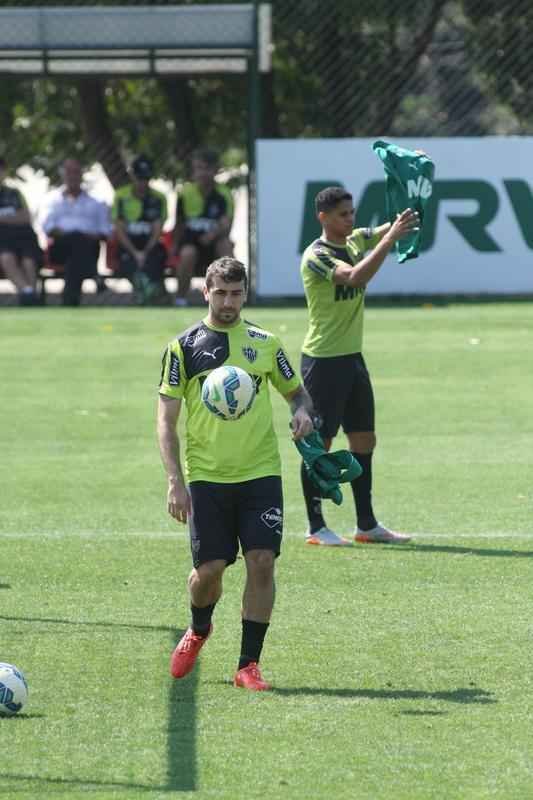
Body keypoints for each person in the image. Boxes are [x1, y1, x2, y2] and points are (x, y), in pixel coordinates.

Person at [158, 256, 313, 691]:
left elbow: (298, 394)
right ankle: (199, 627)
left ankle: (248, 665)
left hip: (260, 473)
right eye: (221, 293)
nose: (229, 302)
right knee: (208, 572)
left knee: (262, 562)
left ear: (245, 293)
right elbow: (165, 421)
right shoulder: (183, 347)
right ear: (206, 292)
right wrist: (176, 482)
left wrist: (303, 415)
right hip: (207, 478)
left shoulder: (265, 342)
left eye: (236, 293)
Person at [299, 186, 420, 546]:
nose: (351, 219)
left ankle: (366, 525)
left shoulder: (354, 240)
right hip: (322, 361)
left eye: (352, 213)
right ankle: (316, 526)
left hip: (352, 359)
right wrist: (391, 240)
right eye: (343, 214)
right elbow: (355, 277)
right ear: (323, 217)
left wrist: (406, 217)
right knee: (319, 442)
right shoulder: (316, 256)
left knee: (364, 438)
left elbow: (382, 230)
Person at [42, 158, 111, 306]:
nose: (72, 176)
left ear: (81, 175)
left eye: (76, 172)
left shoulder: (96, 203)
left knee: (77, 249)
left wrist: (86, 236)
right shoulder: (52, 201)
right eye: (68, 172)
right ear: (62, 174)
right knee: (75, 239)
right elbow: (48, 228)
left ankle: (69, 300)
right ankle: (94, 274)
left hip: (90, 247)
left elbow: (105, 231)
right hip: (60, 248)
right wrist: (72, 235)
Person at [172, 148, 234, 305]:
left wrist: (212, 235)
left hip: (214, 242)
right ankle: (180, 298)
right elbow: (179, 224)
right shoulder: (185, 193)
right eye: (198, 168)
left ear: (215, 170)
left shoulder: (224, 194)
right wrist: (173, 247)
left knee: (226, 248)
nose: (202, 173)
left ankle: (227, 299)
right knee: (187, 253)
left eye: (206, 168)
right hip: (191, 243)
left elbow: (226, 224)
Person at [112, 155, 169, 305]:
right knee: (127, 260)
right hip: (128, 245)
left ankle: (150, 292)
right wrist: (135, 253)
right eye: (139, 178)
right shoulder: (121, 197)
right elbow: (119, 230)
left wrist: (145, 252)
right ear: (132, 176)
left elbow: (157, 230)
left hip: (149, 244)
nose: (143, 183)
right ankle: (145, 291)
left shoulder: (159, 198)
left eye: (146, 178)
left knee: (157, 255)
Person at [0, 156, 42, 305]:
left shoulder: (15, 193)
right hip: (2, 239)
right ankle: (29, 294)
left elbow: (26, 217)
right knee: (6, 258)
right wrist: (12, 215)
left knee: (29, 261)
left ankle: (30, 295)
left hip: (23, 235)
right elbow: (19, 216)